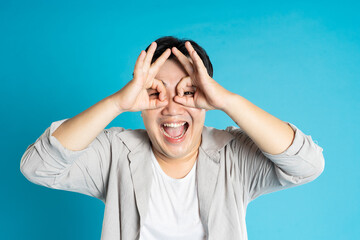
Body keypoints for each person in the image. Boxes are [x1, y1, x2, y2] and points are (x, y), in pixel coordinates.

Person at [20, 36, 325, 240]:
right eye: (156, 92)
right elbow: (37, 166)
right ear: (140, 102)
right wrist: (116, 103)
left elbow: (307, 164)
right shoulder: (116, 152)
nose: (171, 107)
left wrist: (229, 101)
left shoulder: (232, 155)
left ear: (207, 98)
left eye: (187, 91)